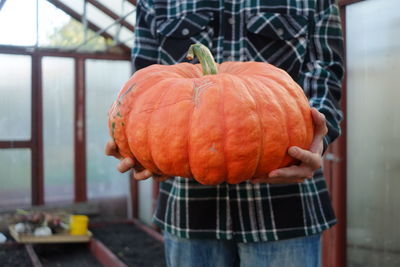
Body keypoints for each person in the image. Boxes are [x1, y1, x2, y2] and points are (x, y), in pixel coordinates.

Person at [106, 0, 344, 266]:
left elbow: (326, 77)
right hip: (189, 208)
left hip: (286, 200)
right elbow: (141, 89)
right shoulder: (156, 3)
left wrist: (316, 140)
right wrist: (134, 143)